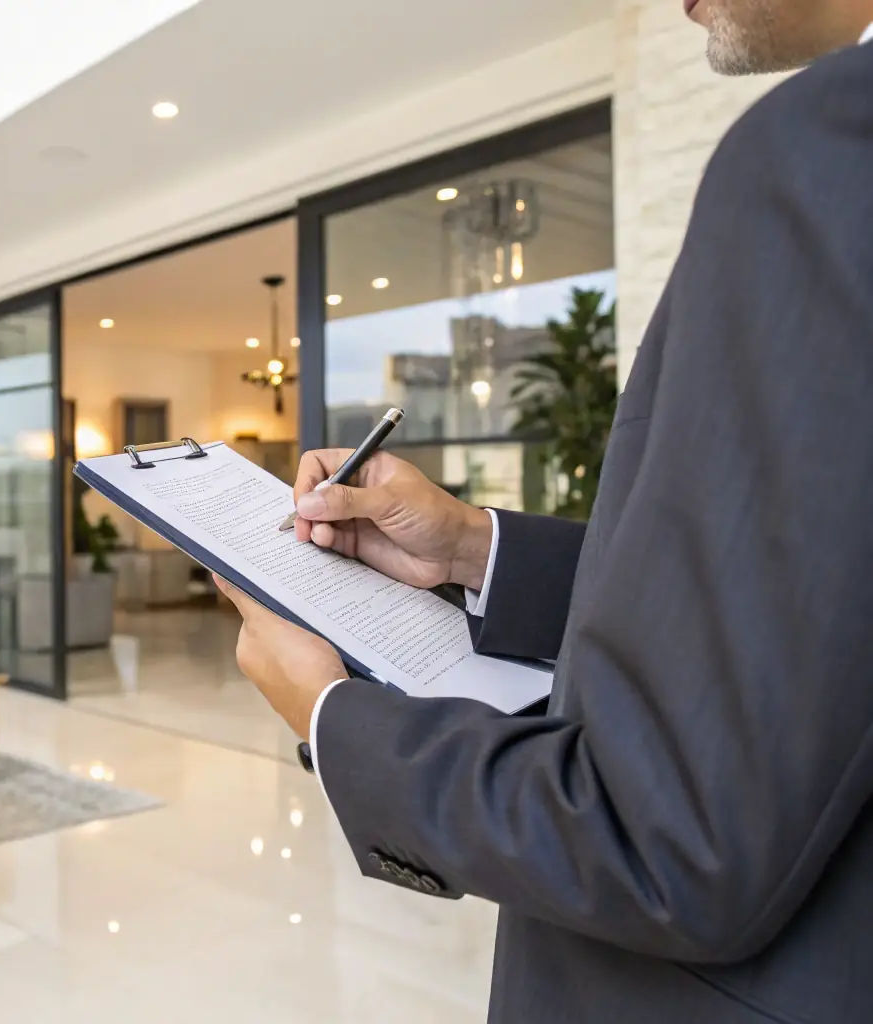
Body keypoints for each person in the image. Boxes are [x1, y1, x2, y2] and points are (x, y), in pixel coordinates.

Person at [215, 2, 873, 1021]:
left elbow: (667, 842)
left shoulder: (829, 148)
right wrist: (478, 549)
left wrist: (335, 715)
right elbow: (814, 614)